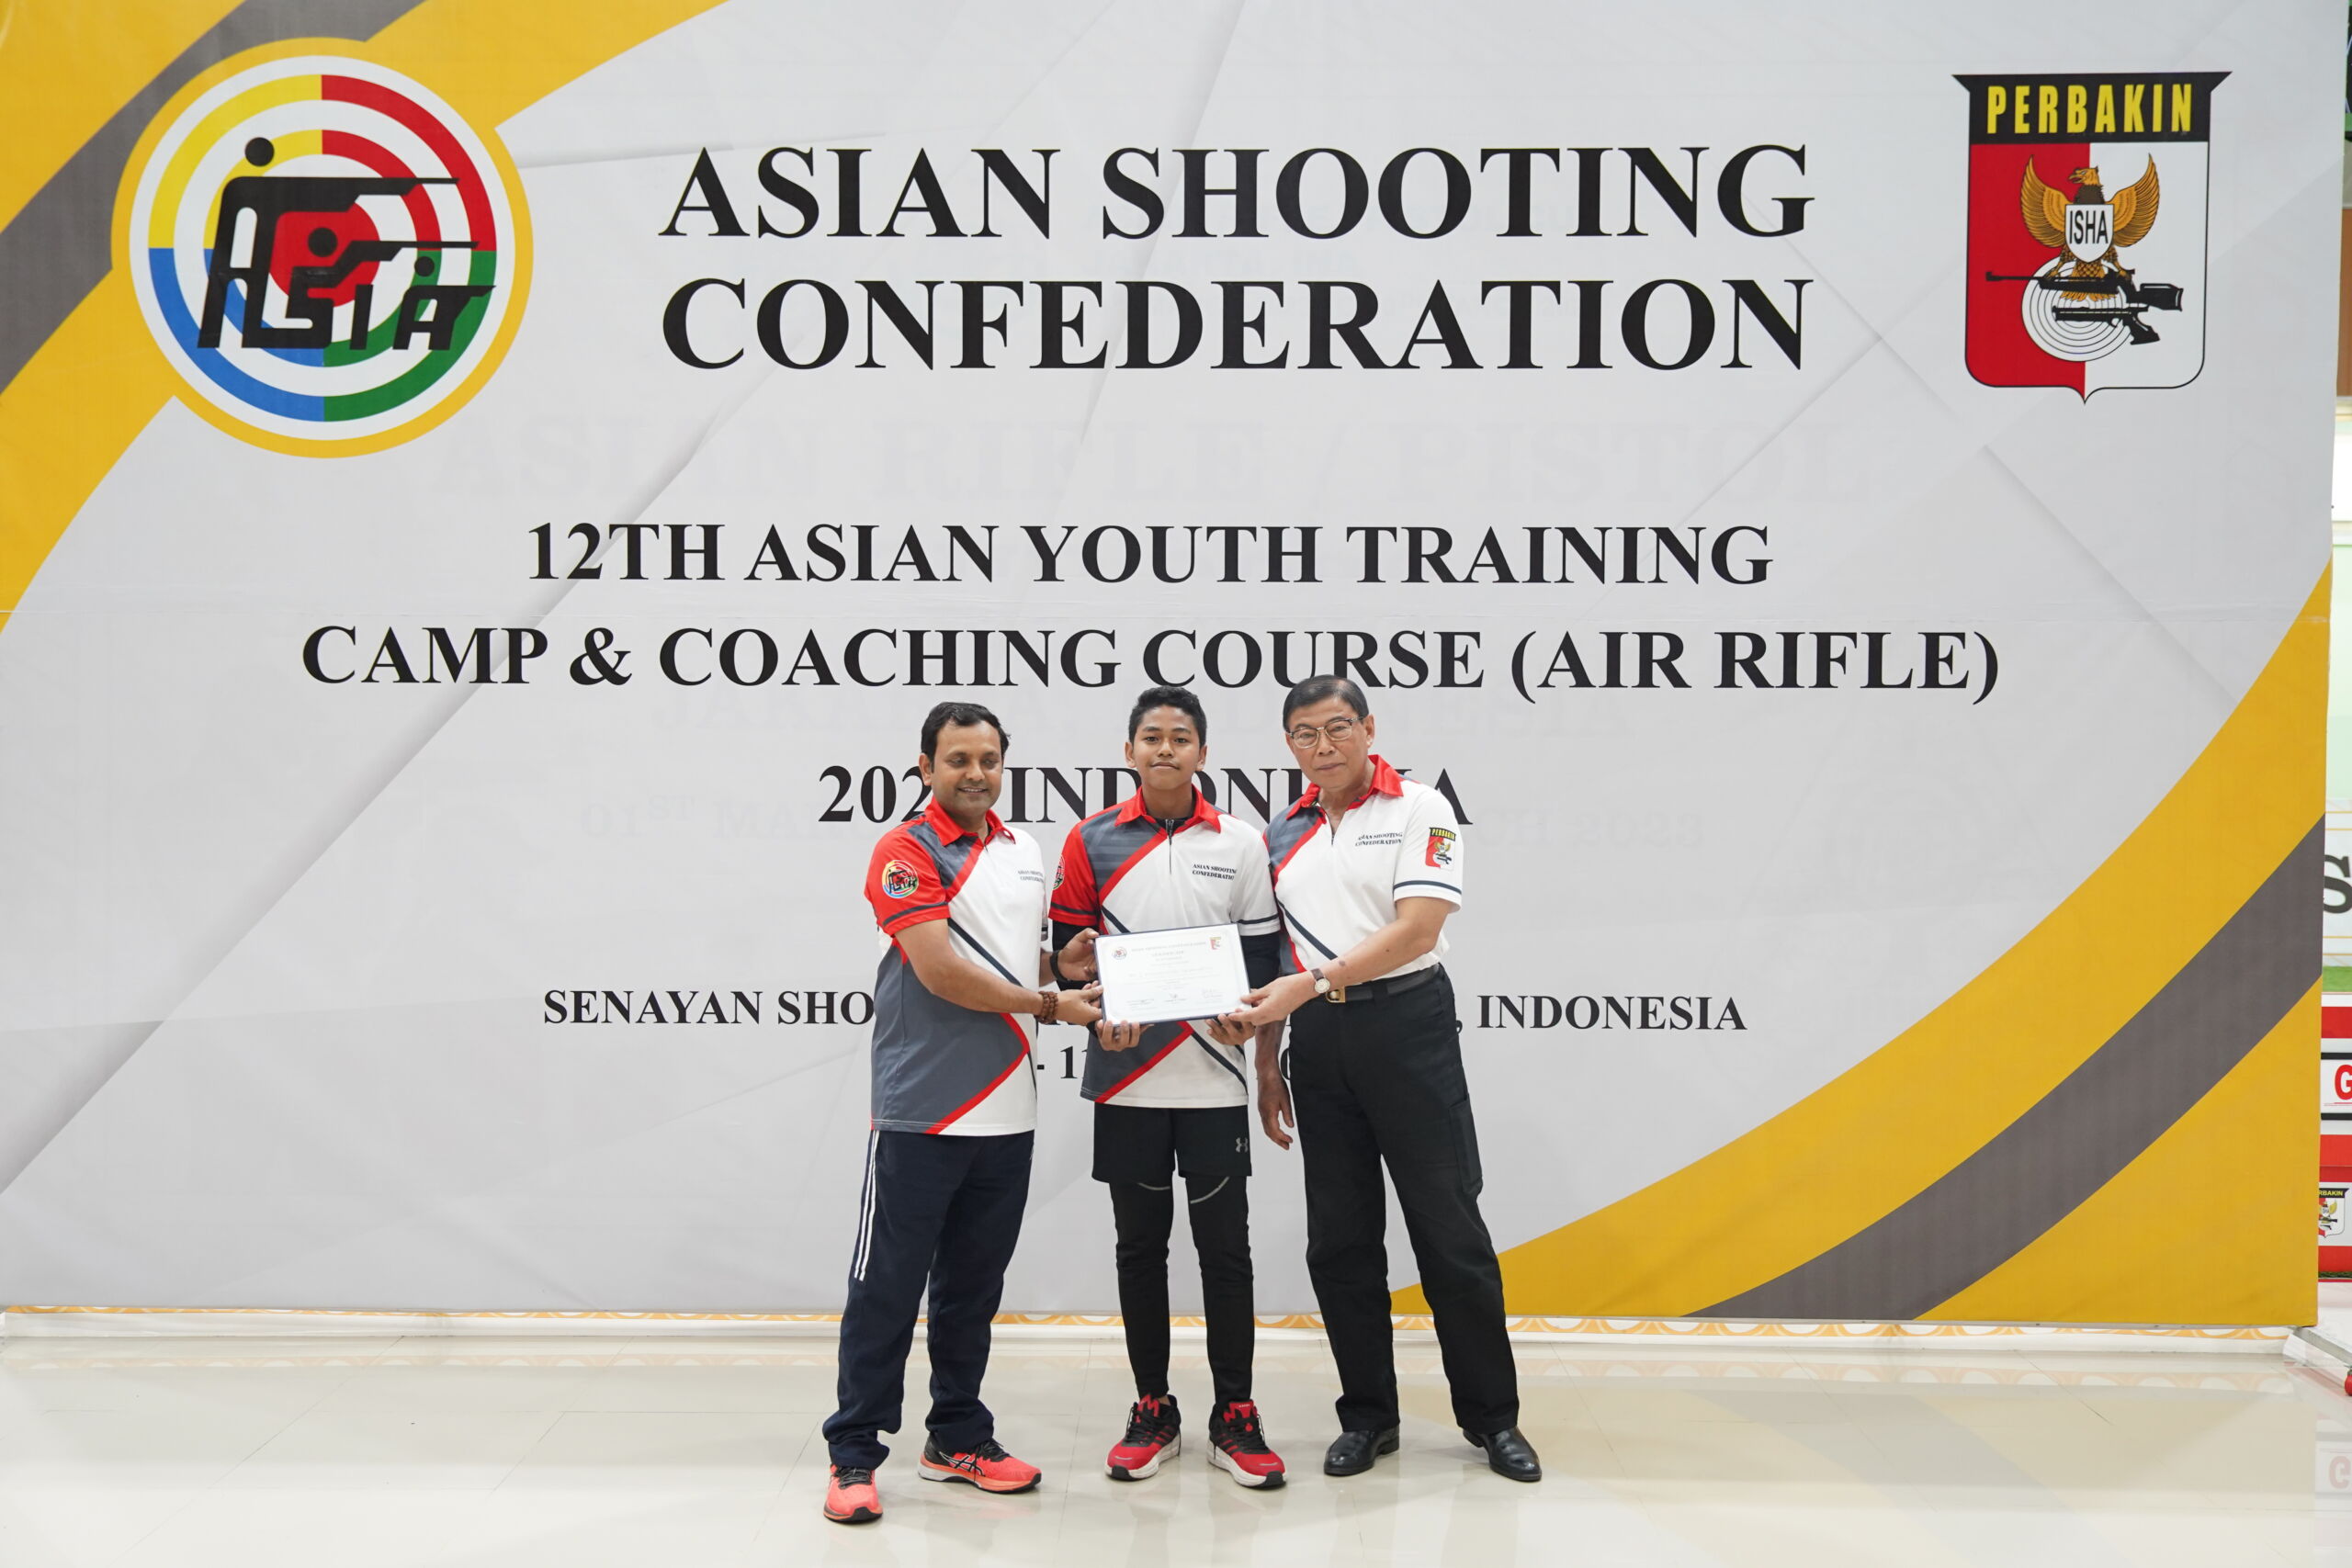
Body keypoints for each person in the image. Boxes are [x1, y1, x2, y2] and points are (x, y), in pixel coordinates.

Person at [1224, 675, 1541, 1483]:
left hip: (1407, 1026)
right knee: (1341, 1238)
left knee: (1449, 1230)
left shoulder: (1421, 807)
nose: (1323, 746)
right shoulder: (1283, 831)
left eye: (1338, 727)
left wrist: (1311, 983)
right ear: (1288, 745)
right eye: (1305, 734)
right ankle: (1368, 1415)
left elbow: (1417, 930)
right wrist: (1267, 1060)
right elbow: (1278, 957)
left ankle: (1492, 1418)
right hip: (1318, 1040)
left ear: (1369, 728)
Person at [821, 701, 1105, 1526]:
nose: (975, 773)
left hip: (1008, 1109)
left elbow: (1005, 961)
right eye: (958, 759)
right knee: (886, 1288)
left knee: (971, 1290)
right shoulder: (905, 850)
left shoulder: (1024, 851)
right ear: (925, 766)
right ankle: (853, 1451)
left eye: (989, 759)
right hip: (922, 1111)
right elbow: (940, 969)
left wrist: (1059, 963)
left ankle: (956, 1436)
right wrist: (1050, 1003)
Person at [1049, 685, 1289, 1488]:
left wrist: (1253, 1030)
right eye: (1150, 736)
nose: (1164, 749)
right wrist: (1094, 1016)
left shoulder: (1242, 842)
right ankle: (1153, 1406)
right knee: (1138, 1249)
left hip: (1214, 1079)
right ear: (1129, 751)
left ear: (1202, 752)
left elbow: (1263, 962)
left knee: (1226, 1252)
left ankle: (1235, 1412)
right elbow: (1070, 961)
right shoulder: (1089, 840)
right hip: (1127, 1080)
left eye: (1180, 737)